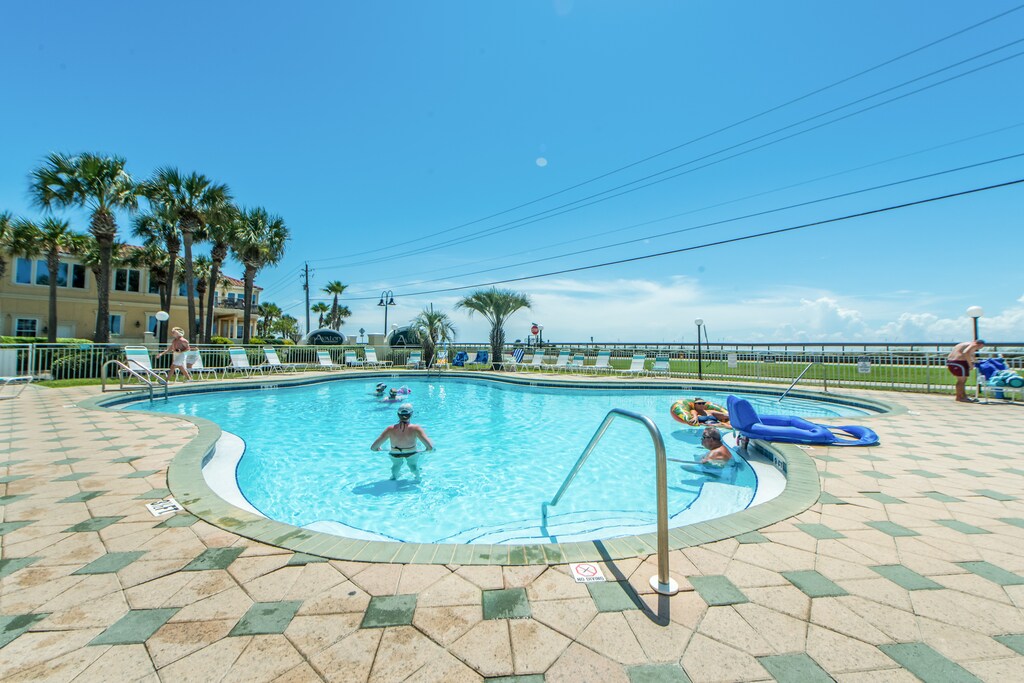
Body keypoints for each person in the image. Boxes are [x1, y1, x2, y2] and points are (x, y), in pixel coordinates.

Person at [370, 403, 434, 479]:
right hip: (411, 453)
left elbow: (373, 448)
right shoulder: (416, 428)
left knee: (396, 465)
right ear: (411, 414)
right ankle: (417, 477)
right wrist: (423, 451)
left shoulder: (390, 429)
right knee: (413, 466)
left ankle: (394, 476)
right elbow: (430, 447)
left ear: (398, 414)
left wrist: (380, 449)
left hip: (395, 453)